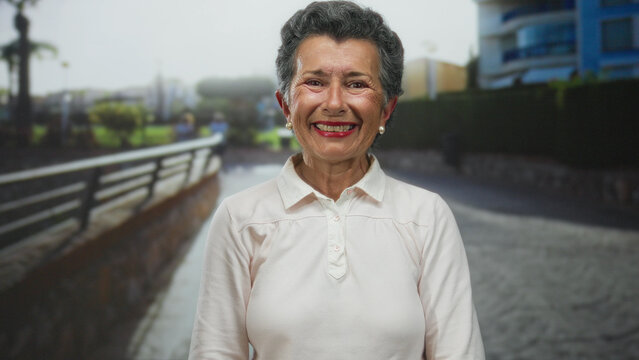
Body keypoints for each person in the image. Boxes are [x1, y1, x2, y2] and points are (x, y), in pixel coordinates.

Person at [189, 2, 485, 359]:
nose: (334, 103)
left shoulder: (426, 217)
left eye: (356, 84)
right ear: (286, 105)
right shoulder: (241, 219)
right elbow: (215, 351)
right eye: (314, 82)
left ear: (386, 110)